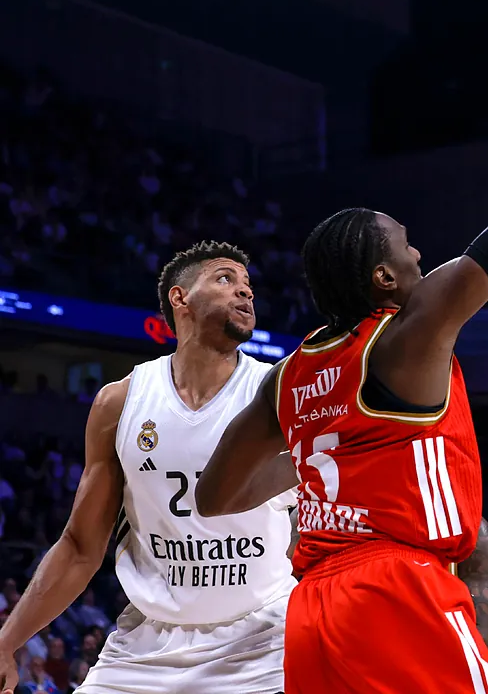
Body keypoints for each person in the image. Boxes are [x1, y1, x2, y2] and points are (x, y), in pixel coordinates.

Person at [194, 0, 488, 693]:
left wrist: (315, 473)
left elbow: (215, 496)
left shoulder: (293, 374)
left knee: (481, 546)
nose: (421, 253)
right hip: (396, 590)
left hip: (315, 612)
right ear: (383, 278)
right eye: (407, 244)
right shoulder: (406, 335)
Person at [0, 242, 300, 694]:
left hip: (261, 642)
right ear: (180, 299)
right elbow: (81, 547)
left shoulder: (277, 391)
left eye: (248, 285)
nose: (245, 292)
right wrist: (7, 643)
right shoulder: (120, 402)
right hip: (147, 645)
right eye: (225, 279)